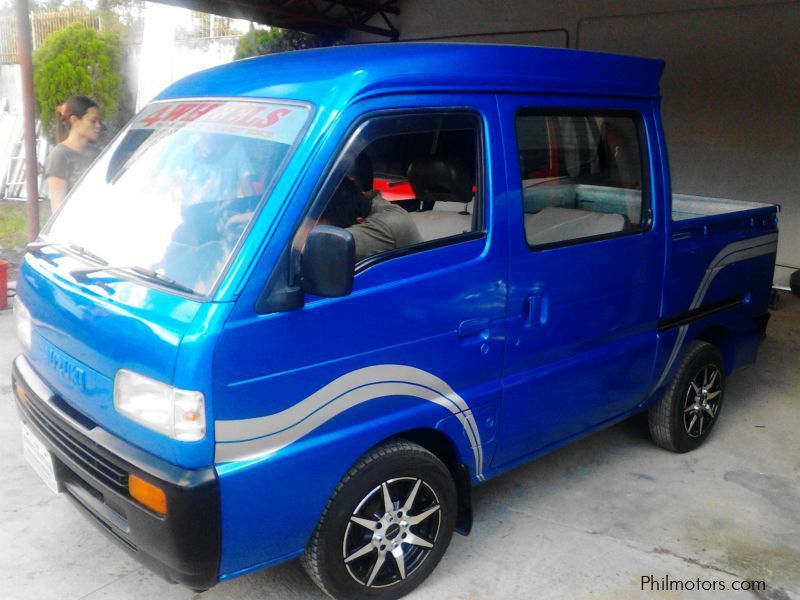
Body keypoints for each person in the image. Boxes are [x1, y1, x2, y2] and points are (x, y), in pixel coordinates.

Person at [321, 177, 422, 262]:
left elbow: (321, 245)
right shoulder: (360, 201)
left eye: (324, 228)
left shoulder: (383, 225)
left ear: (359, 222)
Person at [45, 95, 103, 211]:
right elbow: (57, 207)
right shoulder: (60, 155)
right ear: (74, 121)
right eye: (93, 121)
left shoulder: (99, 154)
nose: (98, 126)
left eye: (99, 121)